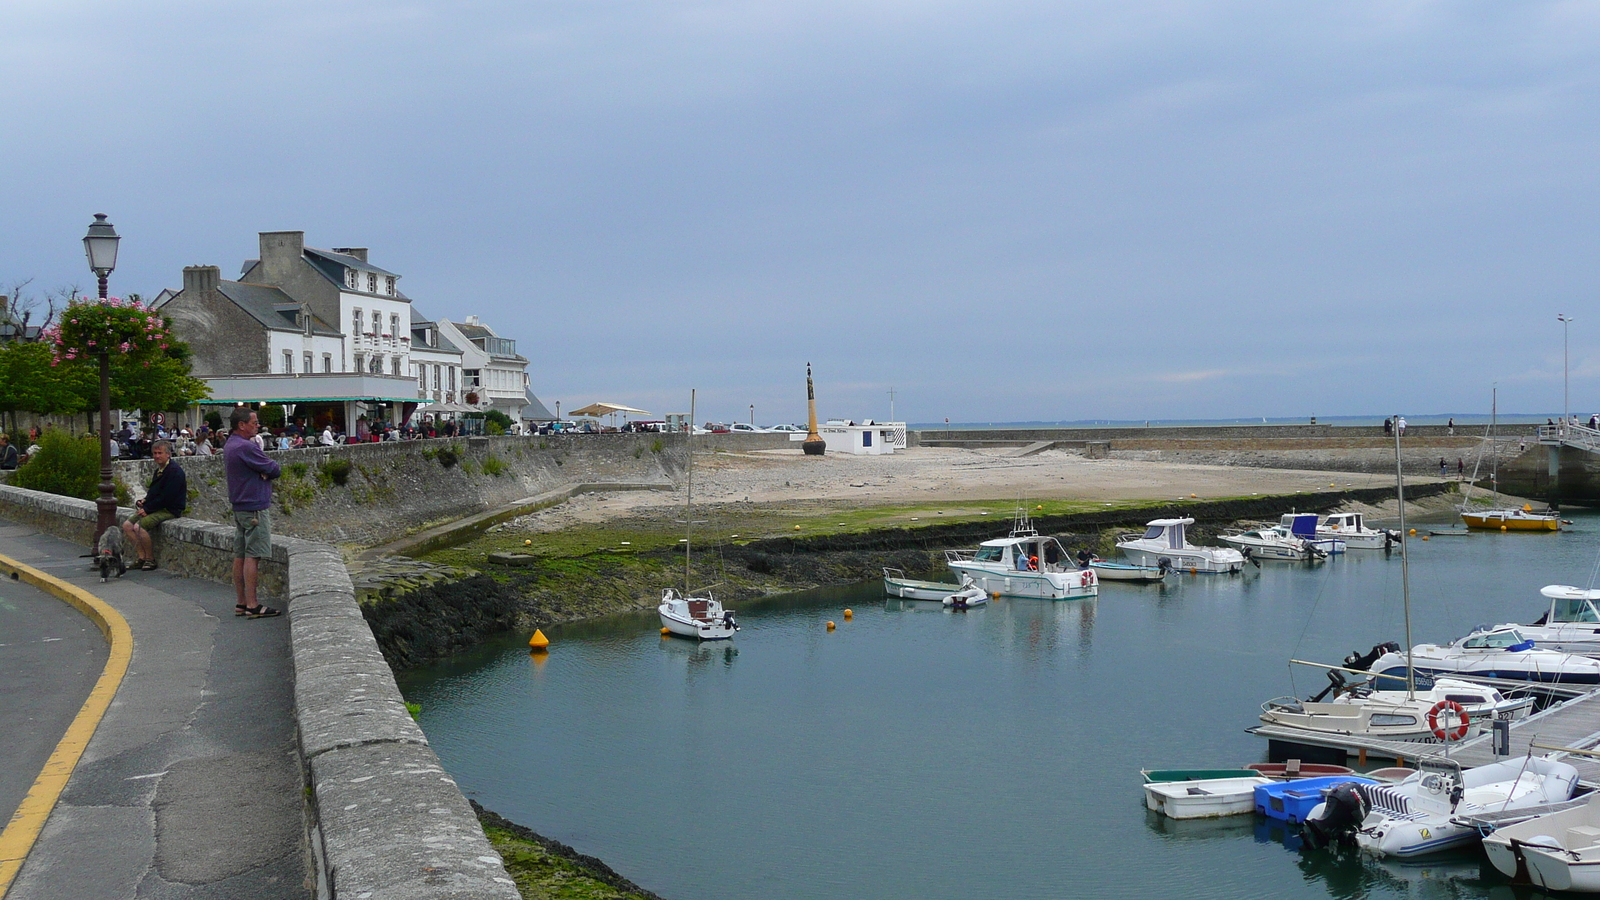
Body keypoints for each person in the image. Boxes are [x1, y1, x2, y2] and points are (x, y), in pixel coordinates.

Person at [224, 408, 281, 619]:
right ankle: (252, 604)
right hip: (254, 505)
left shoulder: (230, 444)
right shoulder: (246, 447)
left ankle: (241, 602)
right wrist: (264, 472)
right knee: (252, 555)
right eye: (255, 423)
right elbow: (274, 468)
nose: (257, 426)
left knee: (240, 554)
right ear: (242, 425)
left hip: (240, 505)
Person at [122, 439, 186, 570]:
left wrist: (148, 509)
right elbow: (155, 491)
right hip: (157, 506)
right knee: (127, 525)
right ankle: (141, 557)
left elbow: (168, 497)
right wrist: (144, 501)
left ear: (168, 454)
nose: (157, 456)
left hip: (169, 509)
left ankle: (150, 559)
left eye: (160, 453)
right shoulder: (160, 470)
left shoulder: (174, 472)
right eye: (155, 453)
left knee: (139, 527)